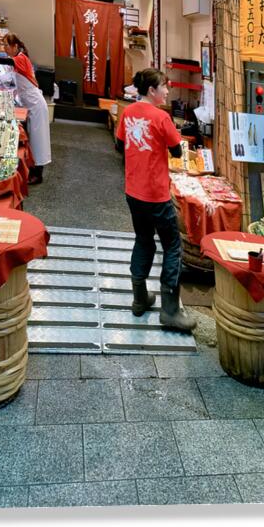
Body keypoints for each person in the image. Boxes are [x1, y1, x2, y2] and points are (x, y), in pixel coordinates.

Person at [116, 68, 196, 333]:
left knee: (143, 239)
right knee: (173, 246)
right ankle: (171, 310)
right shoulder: (161, 117)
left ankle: (140, 299)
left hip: (133, 191)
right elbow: (175, 150)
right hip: (156, 194)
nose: (167, 91)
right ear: (152, 90)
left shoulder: (127, 112)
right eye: (164, 86)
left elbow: (119, 146)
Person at [2, 33, 51, 185]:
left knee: (38, 141)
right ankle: (33, 171)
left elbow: (6, 61)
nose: (4, 49)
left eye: (6, 45)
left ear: (15, 46)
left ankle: (38, 175)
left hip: (36, 104)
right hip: (30, 103)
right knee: (33, 140)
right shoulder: (19, 58)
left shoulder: (20, 58)